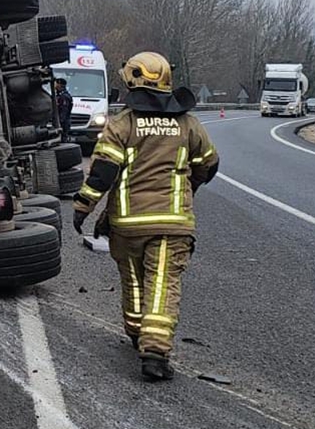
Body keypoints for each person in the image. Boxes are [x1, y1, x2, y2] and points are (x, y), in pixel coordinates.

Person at [71, 52, 219, 381]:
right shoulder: (188, 124)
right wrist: (188, 186)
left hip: (126, 225)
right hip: (172, 223)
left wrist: (83, 207)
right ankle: (154, 351)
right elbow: (209, 164)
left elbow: (102, 174)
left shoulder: (122, 124)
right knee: (163, 284)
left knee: (135, 281)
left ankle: (138, 332)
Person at [54, 78, 73, 142]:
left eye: (56, 83)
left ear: (59, 84)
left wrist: (60, 122)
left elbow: (64, 111)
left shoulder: (64, 96)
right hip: (60, 122)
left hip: (63, 123)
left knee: (62, 140)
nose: (55, 85)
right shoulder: (59, 95)